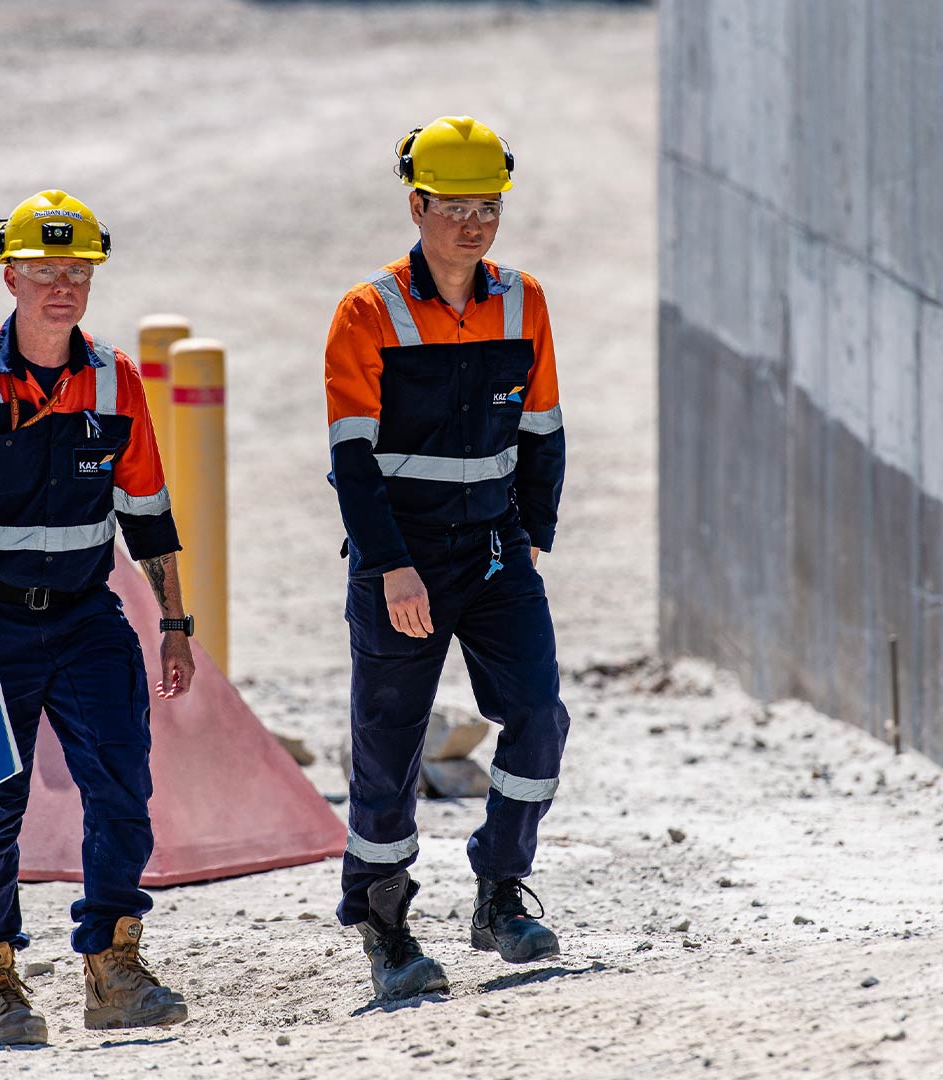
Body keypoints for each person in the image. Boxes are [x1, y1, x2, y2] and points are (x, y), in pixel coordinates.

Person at [0, 190, 199, 1046]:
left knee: (125, 793)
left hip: (86, 621)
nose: (61, 286)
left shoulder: (115, 380)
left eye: (77, 270)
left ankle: (114, 966)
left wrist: (173, 625)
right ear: (10, 275)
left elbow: (148, 514)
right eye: (43, 271)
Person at [322, 117, 571, 1000]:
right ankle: (385, 925)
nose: (475, 223)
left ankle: (499, 890)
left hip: (497, 550)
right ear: (417, 203)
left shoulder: (522, 299)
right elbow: (353, 459)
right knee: (387, 751)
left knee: (539, 718)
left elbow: (542, 430)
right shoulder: (367, 312)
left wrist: (532, 535)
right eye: (457, 206)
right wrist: (391, 566)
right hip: (403, 555)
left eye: (489, 205)